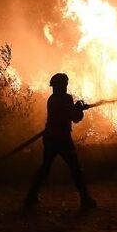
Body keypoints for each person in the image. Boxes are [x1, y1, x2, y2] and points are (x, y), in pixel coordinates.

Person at [24, 73, 97, 210]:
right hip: (62, 139)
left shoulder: (52, 99)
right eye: (64, 84)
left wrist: (77, 108)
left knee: (45, 168)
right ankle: (85, 199)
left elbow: (68, 114)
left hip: (50, 138)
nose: (65, 86)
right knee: (75, 169)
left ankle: (31, 196)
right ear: (62, 85)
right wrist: (79, 110)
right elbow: (74, 118)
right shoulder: (65, 98)